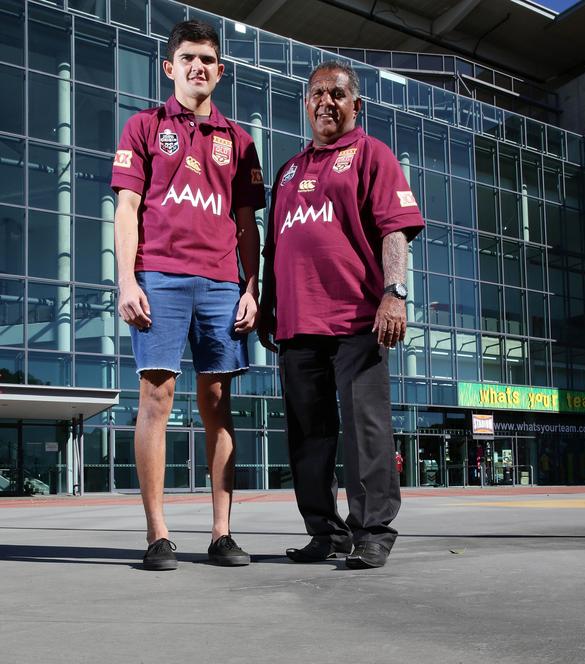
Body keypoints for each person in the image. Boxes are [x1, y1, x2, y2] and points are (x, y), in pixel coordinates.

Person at [111, 19, 265, 570]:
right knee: (156, 398)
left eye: (208, 59)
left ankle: (222, 533)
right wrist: (127, 279)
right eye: (188, 58)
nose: (198, 67)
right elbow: (126, 209)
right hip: (160, 275)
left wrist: (253, 287)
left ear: (220, 72)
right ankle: (158, 535)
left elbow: (247, 224)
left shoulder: (240, 142)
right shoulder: (143, 127)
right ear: (169, 67)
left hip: (223, 282)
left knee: (219, 405)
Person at [259, 61, 424, 569]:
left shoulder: (372, 154)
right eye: (316, 94)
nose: (325, 102)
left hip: (356, 319)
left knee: (365, 430)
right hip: (297, 326)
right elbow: (274, 248)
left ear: (357, 105)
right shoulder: (287, 171)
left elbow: (394, 229)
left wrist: (393, 293)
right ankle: (323, 533)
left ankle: (372, 531)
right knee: (308, 436)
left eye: (337, 93)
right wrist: (268, 306)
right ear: (307, 105)